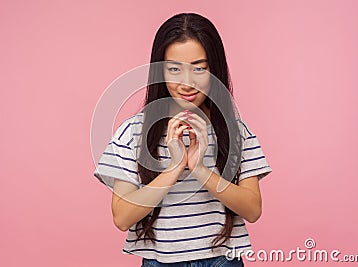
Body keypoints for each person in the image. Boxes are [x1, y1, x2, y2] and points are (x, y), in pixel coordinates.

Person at [94, 13, 272, 266]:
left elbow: (253, 210)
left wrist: (200, 169)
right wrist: (175, 167)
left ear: (214, 70)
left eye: (199, 68)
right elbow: (122, 217)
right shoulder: (133, 133)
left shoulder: (236, 132)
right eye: (174, 69)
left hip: (222, 260)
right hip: (160, 261)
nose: (187, 83)